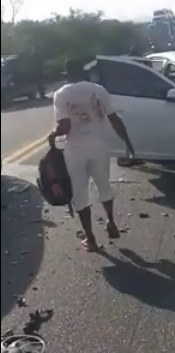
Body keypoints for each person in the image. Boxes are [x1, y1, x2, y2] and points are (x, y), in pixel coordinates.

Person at [48, 57, 135, 252]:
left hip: (75, 151)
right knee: (104, 185)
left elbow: (65, 126)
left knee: (80, 192)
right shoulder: (98, 90)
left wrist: (52, 135)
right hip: (100, 147)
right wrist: (127, 142)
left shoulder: (61, 94)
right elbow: (114, 118)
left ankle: (91, 239)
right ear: (84, 71)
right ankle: (111, 221)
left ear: (65, 74)